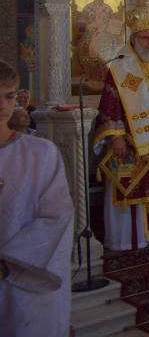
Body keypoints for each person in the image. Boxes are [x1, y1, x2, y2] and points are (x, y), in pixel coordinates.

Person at [92, 5, 149, 251]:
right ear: (134, 39)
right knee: (134, 191)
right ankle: (131, 241)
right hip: (133, 144)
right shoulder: (119, 67)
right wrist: (116, 137)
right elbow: (111, 104)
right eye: (145, 38)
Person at [0, 61, 74, 336]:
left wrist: (8, 263)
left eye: (9, 96)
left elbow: (57, 217)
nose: (2, 106)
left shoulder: (40, 154)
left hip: (27, 281)